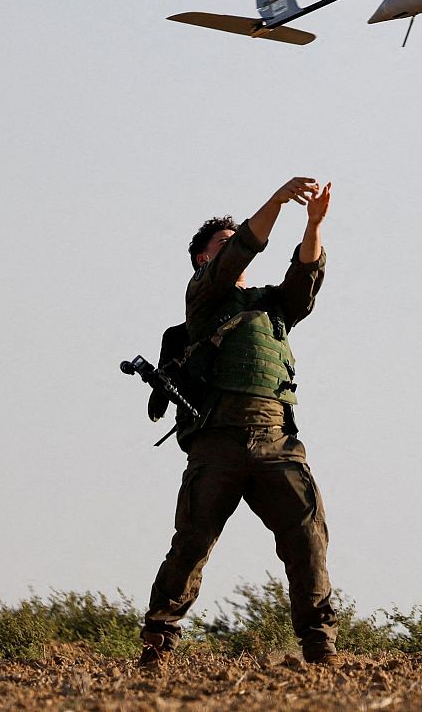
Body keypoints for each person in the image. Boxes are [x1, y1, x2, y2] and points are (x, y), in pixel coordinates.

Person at [139, 176, 338, 667]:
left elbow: (304, 279)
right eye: (224, 244)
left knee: (308, 540)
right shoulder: (203, 298)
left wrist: (312, 226)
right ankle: (157, 645)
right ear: (205, 260)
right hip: (217, 444)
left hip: (277, 442)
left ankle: (320, 648)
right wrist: (274, 202)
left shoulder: (272, 307)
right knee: (190, 546)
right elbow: (241, 252)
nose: (237, 248)